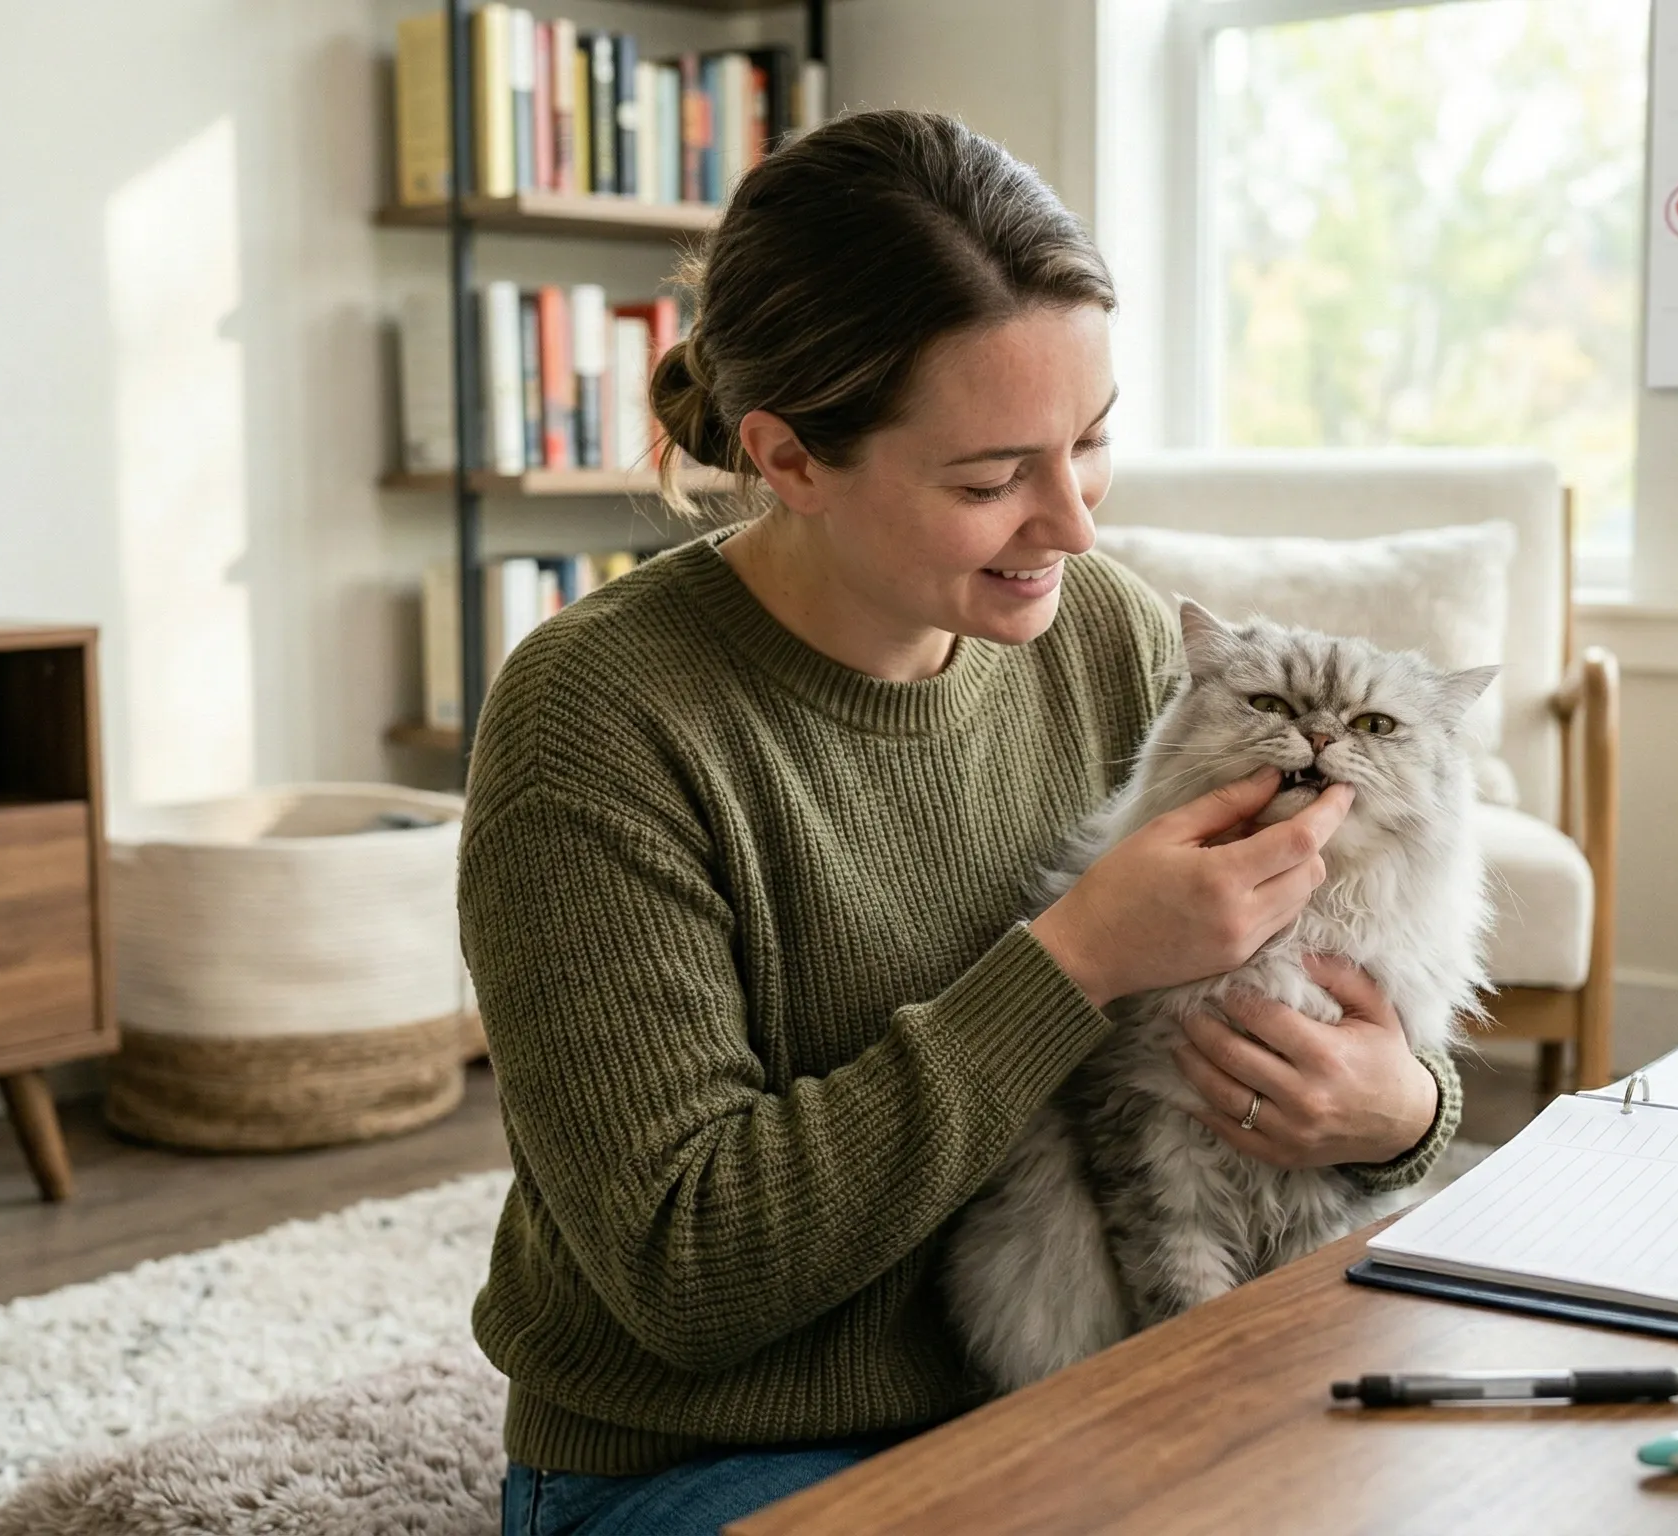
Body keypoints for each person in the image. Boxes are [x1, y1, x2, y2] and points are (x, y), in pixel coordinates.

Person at [463, 109, 1463, 1536]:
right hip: (707, 1456)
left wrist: (1398, 1113)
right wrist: (1073, 962)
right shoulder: (599, 719)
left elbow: (1322, 1016)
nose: (1073, 523)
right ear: (789, 457)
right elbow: (686, 1273)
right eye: (993, 479)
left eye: (1093, 442)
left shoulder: (1110, 639)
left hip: (1079, 1386)